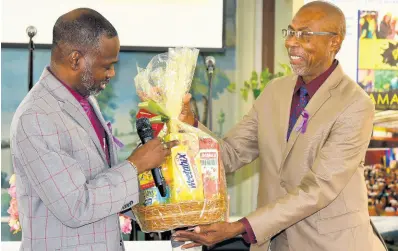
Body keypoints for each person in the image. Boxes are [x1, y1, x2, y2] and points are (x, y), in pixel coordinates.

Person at [174, 1, 387, 251]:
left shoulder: (355, 104)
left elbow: (318, 189)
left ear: (334, 42)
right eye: (290, 32)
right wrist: (190, 126)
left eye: (304, 34)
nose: (290, 42)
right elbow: (230, 154)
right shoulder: (275, 91)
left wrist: (239, 227)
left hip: (332, 244)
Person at [10, 8, 177, 251]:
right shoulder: (36, 116)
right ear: (76, 59)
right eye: (106, 65)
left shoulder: (85, 101)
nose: (112, 73)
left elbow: (100, 182)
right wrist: (135, 166)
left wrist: (165, 201)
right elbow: (76, 206)